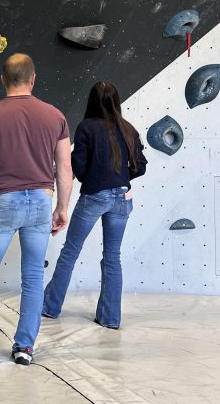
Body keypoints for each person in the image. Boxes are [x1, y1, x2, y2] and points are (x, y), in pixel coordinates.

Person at [0, 53, 73, 366]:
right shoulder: (55, 116)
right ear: (33, 79)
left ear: (3, 79)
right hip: (39, 201)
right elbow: (64, 167)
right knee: (33, 277)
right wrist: (62, 208)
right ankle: (24, 348)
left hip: (3, 202)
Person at [42, 80, 147, 329]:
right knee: (112, 257)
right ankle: (110, 318)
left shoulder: (86, 127)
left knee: (70, 252)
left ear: (91, 101)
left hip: (95, 197)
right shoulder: (129, 129)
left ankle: (49, 307)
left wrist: (96, 178)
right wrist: (119, 180)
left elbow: (77, 166)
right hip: (123, 198)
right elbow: (140, 166)